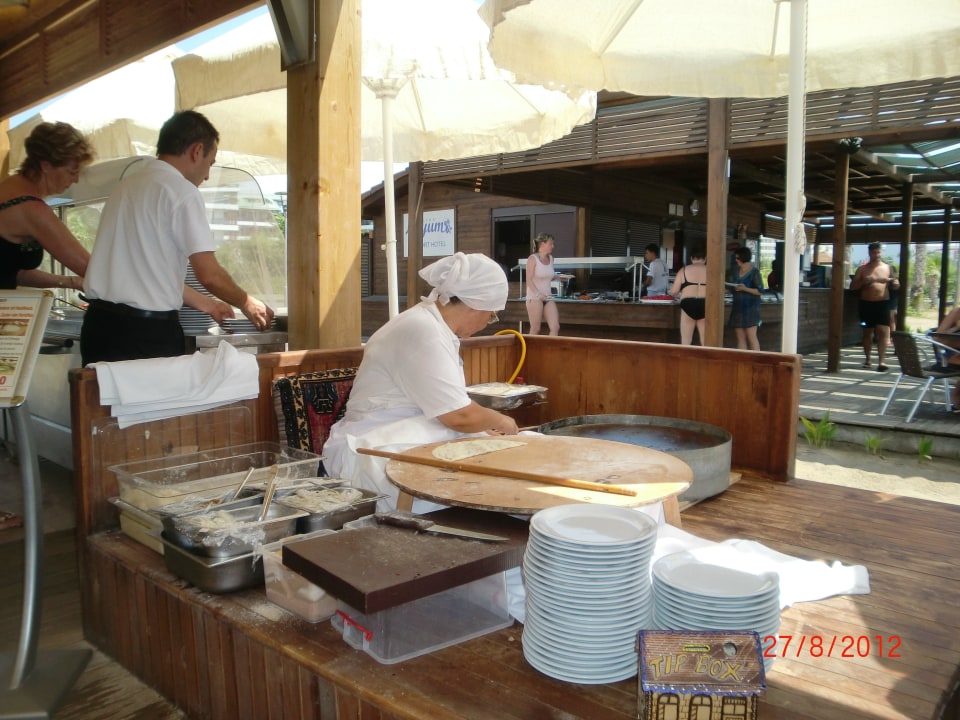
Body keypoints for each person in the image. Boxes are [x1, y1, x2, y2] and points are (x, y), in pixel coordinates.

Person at [324, 252, 520, 509]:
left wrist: (485, 427)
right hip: (370, 449)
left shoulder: (432, 326)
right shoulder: (423, 331)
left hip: (410, 435)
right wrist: (500, 419)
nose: (488, 323)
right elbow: (458, 416)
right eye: (491, 315)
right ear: (476, 306)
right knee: (483, 489)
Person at [80, 111, 273, 366]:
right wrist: (247, 302)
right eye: (211, 163)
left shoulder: (125, 187)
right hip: (145, 336)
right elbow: (209, 275)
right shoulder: (181, 191)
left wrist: (209, 305)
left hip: (98, 327)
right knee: (157, 407)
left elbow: (149, 277)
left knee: (99, 406)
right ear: (196, 151)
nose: (206, 176)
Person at [0, 121, 94, 292]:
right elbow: (91, 270)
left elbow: (13, 272)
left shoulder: (10, 187)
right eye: (72, 172)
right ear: (46, 165)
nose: (76, 180)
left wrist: (70, 282)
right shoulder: (30, 208)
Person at [849, 242, 899, 371]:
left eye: (878, 252)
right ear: (869, 253)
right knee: (868, 332)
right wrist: (863, 282)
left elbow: (896, 284)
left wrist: (894, 283)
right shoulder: (862, 269)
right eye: (874, 252)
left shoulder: (888, 268)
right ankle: (868, 359)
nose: (876, 255)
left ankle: (882, 361)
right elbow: (853, 287)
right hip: (866, 304)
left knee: (883, 332)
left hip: (882, 303)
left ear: (881, 253)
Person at [524, 232, 560, 335]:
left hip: (548, 297)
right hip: (534, 298)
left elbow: (547, 275)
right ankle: (529, 350)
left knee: (555, 327)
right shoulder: (532, 259)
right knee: (535, 329)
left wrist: (558, 277)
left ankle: (550, 350)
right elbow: (529, 280)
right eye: (551, 244)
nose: (553, 246)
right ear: (543, 244)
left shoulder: (551, 258)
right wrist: (538, 294)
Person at [670, 246, 707, 345]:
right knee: (705, 341)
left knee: (686, 341)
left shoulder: (684, 270)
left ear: (691, 258)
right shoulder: (711, 271)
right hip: (705, 304)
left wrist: (668, 292)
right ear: (705, 258)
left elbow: (674, 291)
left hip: (688, 304)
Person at [728, 246, 763, 350]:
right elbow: (730, 287)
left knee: (751, 336)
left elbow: (759, 291)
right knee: (740, 337)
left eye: (738, 258)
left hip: (751, 307)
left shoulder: (754, 272)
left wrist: (745, 289)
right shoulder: (735, 271)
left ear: (744, 257)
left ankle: (756, 361)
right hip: (738, 307)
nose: (736, 260)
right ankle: (741, 362)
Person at [887, 264, 899, 346]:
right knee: (889, 321)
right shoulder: (888, 280)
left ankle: (892, 338)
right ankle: (890, 338)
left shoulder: (895, 280)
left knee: (891, 320)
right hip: (888, 301)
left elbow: (896, 287)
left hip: (892, 301)